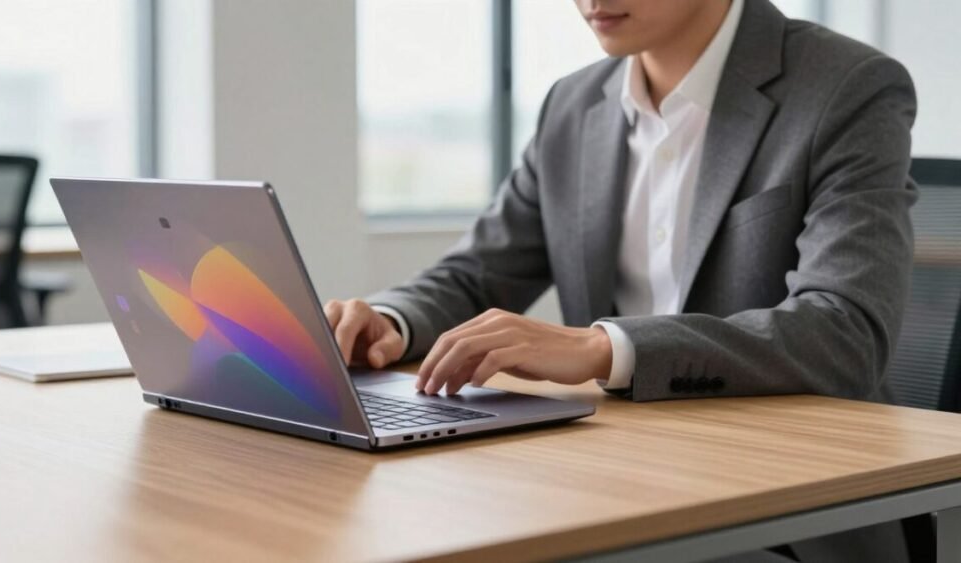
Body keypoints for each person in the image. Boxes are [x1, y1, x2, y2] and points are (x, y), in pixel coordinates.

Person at [326, 1, 916, 561]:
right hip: (611, 484)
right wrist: (390, 321)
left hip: (791, 511)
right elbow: (477, 274)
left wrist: (603, 348)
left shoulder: (846, 86)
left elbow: (845, 330)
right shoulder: (574, 104)